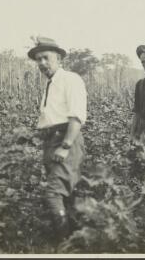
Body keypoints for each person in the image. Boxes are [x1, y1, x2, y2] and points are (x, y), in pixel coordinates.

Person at [27, 37, 88, 243]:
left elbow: (76, 116)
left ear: (59, 58)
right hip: (51, 141)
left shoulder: (70, 79)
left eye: (46, 58)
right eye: (38, 60)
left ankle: (64, 245)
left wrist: (65, 145)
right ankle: (77, 242)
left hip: (65, 140)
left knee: (53, 193)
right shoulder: (50, 84)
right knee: (67, 194)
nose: (42, 63)